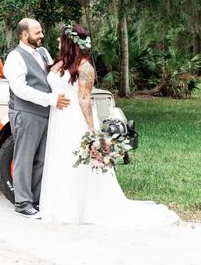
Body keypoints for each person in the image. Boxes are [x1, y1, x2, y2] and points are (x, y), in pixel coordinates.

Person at [39, 24, 179, 226]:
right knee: (61, 158)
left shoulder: (85, 67)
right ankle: (59, 205)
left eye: (61, 39)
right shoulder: (60, 63)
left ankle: (77, 209)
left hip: (75, 120)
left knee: (75, 161)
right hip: (59, 117)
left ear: (70, 42)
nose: (58, 42)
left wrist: (92, 131)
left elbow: (85, 99)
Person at [3, 18, 70, 219]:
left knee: (42, 159)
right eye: (37, 32)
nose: (41, 35)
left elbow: (50, 74)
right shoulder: (15, 57)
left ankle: (35, 199)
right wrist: (50, 99)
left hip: (45, 113)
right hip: (26, 113)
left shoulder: (42, 52)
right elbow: (20, 89)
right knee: (25, 157)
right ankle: (22, 203)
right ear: (24, 35)